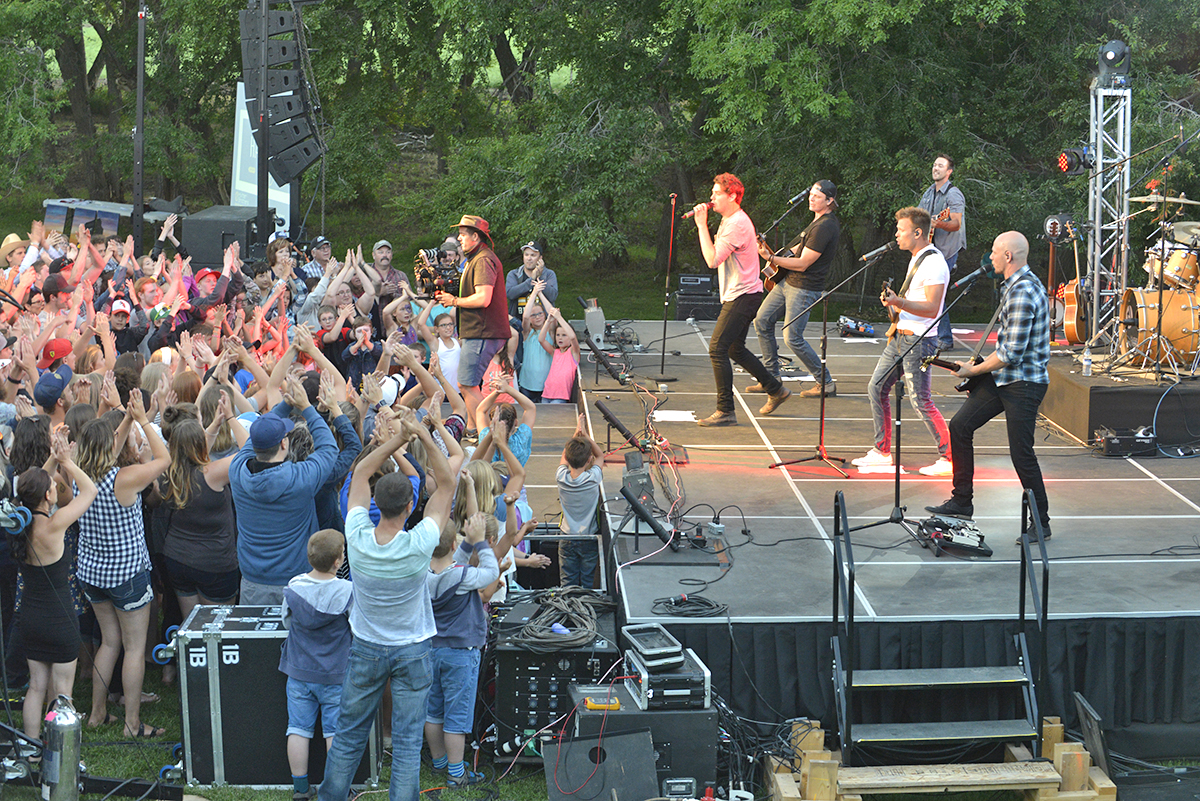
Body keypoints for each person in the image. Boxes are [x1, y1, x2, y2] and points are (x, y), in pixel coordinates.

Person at [316, 411, 462, 801]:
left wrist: (395, 440)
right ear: (412, 504)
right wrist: (421, 434)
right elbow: (447, 481)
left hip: (365, 646)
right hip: (412, 649)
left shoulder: (357, 533)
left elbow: (361, 472)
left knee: (348, 736)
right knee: (409, 743)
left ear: (374, 502)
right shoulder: (420, 544)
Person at [926, 231, 1053, 544]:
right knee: (960, 426)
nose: (991, 258)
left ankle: (1041, 523)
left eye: (995, 252)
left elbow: (1012, 353)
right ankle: (962, 501)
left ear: (1008, 256)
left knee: (1021, 454)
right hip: (1006, 379)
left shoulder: (1023, 291)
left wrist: (975, 369)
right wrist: (982, 372)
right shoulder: (1014, 286)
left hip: (1024, 384)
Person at [75, 391, 170, 739]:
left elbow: (105, 449)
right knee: (132, 647)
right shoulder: (123, 479)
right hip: (127, 575)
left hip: (93, 573)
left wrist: (127, 417)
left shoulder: (78, 473)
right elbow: (163, 458)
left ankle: (97, 713)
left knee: (109, 642)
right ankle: (132, 724)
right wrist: (144, 419)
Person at [9, 429, 97, 742]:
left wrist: (51, 459)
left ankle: (31, 746)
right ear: (49, 496)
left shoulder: (18, 525)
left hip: (30, 618)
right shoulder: (55, 524)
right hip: (59, 620)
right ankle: (62, 753)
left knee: (35, 686)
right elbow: (90, 492)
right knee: (62, 694)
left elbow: (31, 489)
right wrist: (67, 463)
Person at [853, 207, 951, 476]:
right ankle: (882, 451)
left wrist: (899, 301)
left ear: (918, 233)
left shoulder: (933, 263)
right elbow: (909, 304)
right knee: (876, 387)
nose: (896, 234)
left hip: (919, 341)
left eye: (901, 230)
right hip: (900, 337)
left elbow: (932, 308)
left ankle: (950, 457)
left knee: (921, 400)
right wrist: (894, 305)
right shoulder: (917, 259)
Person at [229, 374, 339, 604]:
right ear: (284, 443)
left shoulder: (237, 470)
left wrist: (286, 404)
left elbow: (257, 435)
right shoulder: (301, 478)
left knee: (256, 638)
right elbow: (329, 448)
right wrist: (306, 407)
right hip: (296, 581)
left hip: (252, 579)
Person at [691, 173, 790, 426]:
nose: (711, 198)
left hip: (744, 295)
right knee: (734, 348)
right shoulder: (729, 220)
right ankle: (775, 389)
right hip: (743, 293)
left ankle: (725, 410)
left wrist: (702, 225)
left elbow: (712, 260)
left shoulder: (736, 223)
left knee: (717, 348)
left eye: (716, 193)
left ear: (732, 195)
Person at [423, 510, 498, 787]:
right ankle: (457, 774)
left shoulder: (423, 574)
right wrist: (480, 542)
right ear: (453, 545)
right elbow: (490, 572)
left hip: (431, 651)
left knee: (433, 710)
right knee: (456, 715)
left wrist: (466, 541)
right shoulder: (463, 576)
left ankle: (439, 761)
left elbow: (453, 567)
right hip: (460, 654)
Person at [280, 528, 354, 801]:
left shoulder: (295, 586)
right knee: (334, 732)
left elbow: (286, 621)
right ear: (338, 561)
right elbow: (356, 626)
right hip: (335, 674)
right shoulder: (347, 590)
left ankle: (300, 789)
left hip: (299, 672)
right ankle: (336, 789)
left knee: (298, 729)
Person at [752, 179, 841, 398]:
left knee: (792, 337)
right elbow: (797, 249)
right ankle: (771, 379)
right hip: (788, 282)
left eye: (817, 196)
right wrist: (774, 256)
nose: (811, 198)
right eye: (811, 194)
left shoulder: (825, 226)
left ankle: (825, 382)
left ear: (829, 200)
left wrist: (771, 257)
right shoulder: (816, 222)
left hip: (805, 287)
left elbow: (803, 263)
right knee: (762, 321)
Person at [434, 215, 508, 432]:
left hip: (484, 332)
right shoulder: (478, 258)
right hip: (480, 332)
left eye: (463, 234)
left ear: (475, 236)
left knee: (466, 384)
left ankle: (482, 431)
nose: (459, 238)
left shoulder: (483, 260)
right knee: (466, 384)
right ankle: (477, 428)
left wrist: (454, 301)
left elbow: (483, 298)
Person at [918, 154, 966, 351]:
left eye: (940, 166)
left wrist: (939, 223)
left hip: (946, 249)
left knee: (937, 292)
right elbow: (919, 216)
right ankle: (930, 333)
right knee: (927, 291)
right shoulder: (929, 192)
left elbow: (956, 224)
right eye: (934, 165)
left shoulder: (954, 194)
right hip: (930, 247)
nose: (935, 168)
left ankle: (944, 338)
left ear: (949, 172)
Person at [557, 415, 603, 586]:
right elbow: (600, 456)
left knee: (567, 581)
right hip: (588, 537)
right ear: (589, 460)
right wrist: (585, 437)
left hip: (566, 535)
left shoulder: (561, 477)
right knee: (587, 581)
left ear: (568, 459)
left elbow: (565, 455)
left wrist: (576, 434)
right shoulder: (593, 478)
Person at [537, 305, 580, 403]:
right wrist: (548, 320)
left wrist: (559, 318)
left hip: (561, 396)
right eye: (558, 335)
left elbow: (573, 337)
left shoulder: (573, 352)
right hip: (547, 393)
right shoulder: (554, 352)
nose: (560, 338)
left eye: (564, 335)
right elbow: (541, 339)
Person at [505, 241, 558, 318]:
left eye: (533, 255)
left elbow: (552, 296)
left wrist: (539, 278)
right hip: (518, 322)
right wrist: (531, 280)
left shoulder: (549, 274)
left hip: (543, 324)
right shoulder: (514, 274)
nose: (529, 258)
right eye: (526, 255)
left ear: (540, 258)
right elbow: (510, 294)